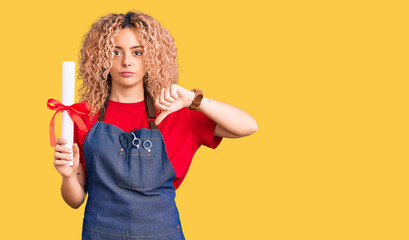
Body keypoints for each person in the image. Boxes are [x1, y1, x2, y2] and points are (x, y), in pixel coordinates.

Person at [52, 11, 257, 240]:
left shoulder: (175, 112)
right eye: (115, 52)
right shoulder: (80, 115)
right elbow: (75, 200)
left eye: (137, 52)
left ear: (152, 57)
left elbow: (248, 125)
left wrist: (193, 99)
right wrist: (68, 176)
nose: (126, 61)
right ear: (101, 58)